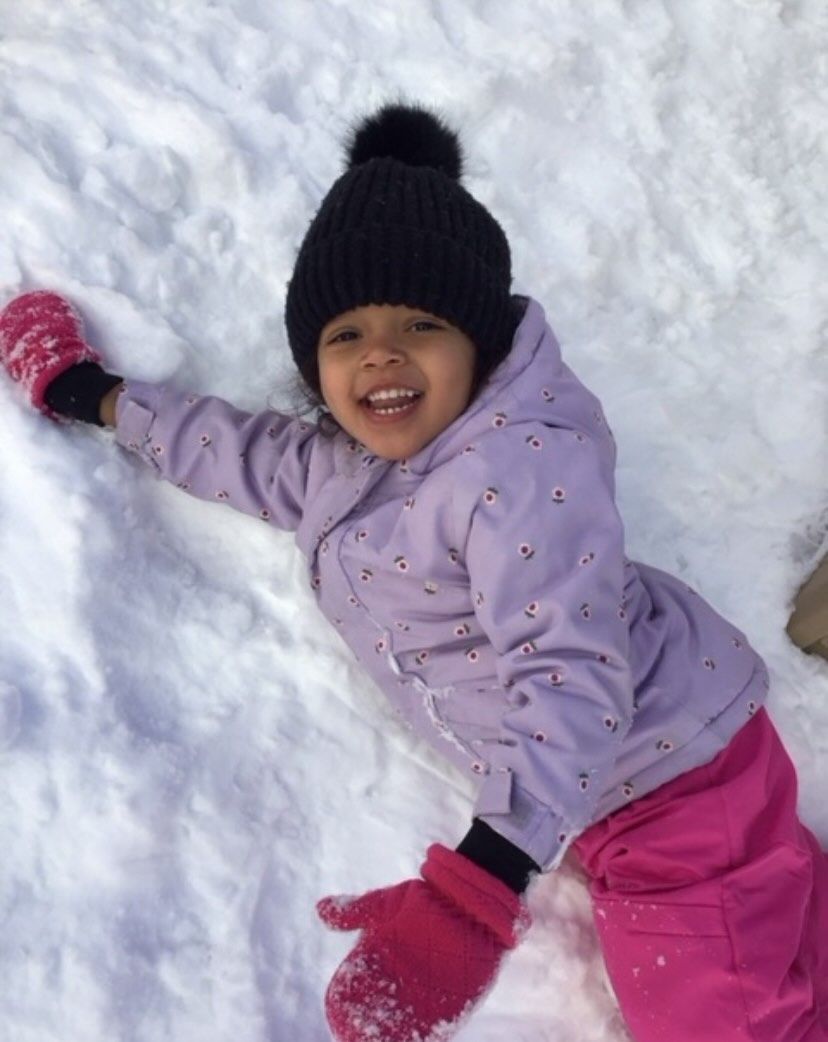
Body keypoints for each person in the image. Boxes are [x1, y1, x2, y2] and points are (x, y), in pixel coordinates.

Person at [1, 102, 826, 1042]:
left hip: (673, 788)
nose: (382, 353)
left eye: (421, 323)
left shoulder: (519, 473)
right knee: (762, 942)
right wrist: (96, 396)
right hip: (616, 787)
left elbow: (573, 677)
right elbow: (237, 452)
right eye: (345, 335)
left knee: (713, 1021)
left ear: (478, 344)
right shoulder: (346, 468)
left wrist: (477, 887)